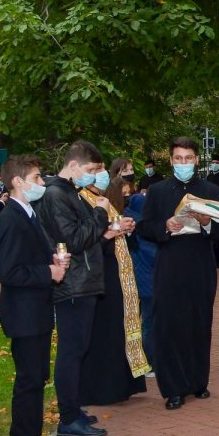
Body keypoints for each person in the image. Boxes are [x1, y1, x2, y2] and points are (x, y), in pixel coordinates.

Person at [136, 137, 219, 410]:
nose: (183, 163)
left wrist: (209, 223)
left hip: (200, 264)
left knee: (199, 323)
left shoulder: (211, 189)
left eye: (188, 158)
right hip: (169, 264)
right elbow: (144, 227)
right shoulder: (159, 191)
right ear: (172, 161)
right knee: (170, 325)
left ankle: (199, 382)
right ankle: (173, 388)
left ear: (197, 160)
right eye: (178, 159)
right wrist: (164, 226)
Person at [0, 155, 71, 436]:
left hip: (36, 312)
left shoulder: (28, 214)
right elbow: (10, 272)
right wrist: (47, 273)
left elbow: (33, 256)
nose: (42, 183)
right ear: (18, 182)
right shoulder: (9, 218)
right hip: (23, 315)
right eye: (38, 178)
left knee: (37, 379)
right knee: (28, 382)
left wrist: (54, 261)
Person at [36, 140, 111, 436]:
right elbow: (74, 239)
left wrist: (106, 231)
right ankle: (67, 418)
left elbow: (85, 238)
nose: (93, 176)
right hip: (72, 284)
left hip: (84, 280)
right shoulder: (56, 195)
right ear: (74, 165)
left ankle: (73, 407)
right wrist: (102, 215)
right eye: (91, 170)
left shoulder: (72, 194)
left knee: (79, 349)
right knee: (71, 350)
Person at [79, 169, 148, 406]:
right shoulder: (81, 199)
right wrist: (112, 231)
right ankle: (103, 388)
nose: (101, 175)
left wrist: (123, 228)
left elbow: (109, 230)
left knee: (116, 328)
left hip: (115, 271)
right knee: (104, 330)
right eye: (95, 170)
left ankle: (121, 385)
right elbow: (86, 239)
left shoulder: (102, 199)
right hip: (100, 274)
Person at [123, 187, 157, 368]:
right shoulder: (142, 229)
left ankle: (148, 357)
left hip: (142, 280)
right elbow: (153, 255)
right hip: (148, 281)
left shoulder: (132, 224)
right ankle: (149, 359)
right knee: (150, 322)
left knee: (146, 320)